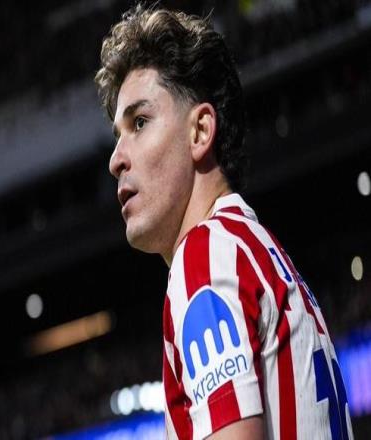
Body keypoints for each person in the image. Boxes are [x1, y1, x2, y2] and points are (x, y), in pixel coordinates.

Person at [94, 4, 354, 440]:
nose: (115, 160)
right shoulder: (257, 250)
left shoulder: (205, 256)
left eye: (139, 122)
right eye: (118, 136)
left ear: (200, 131)